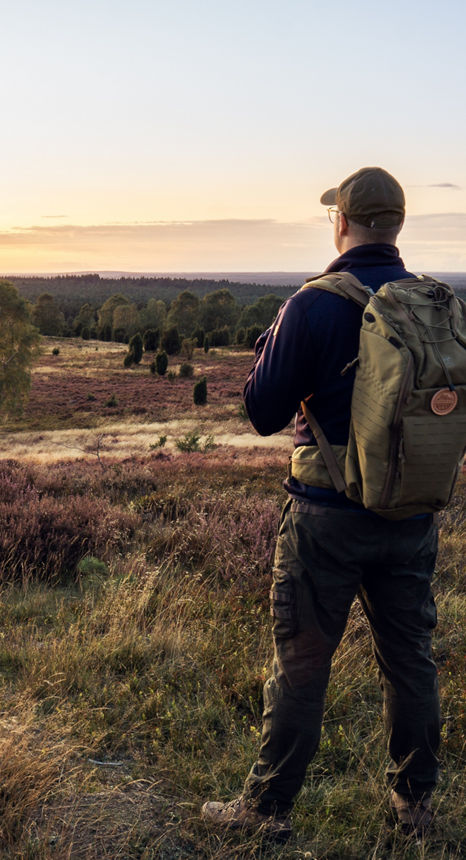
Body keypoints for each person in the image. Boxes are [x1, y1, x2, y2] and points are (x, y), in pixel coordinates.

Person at [202, 167, 440, 841]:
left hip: (325, 518)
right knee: (410, 660)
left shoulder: (313, 304)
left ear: (341, 221)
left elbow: (260, 411)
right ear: (396, 224)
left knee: (302, 664)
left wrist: (266, 356)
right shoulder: (433, 302)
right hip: (411, 514)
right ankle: (415, 807)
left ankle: (266, 811)